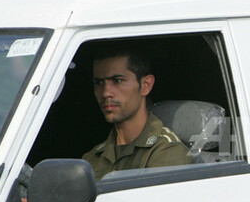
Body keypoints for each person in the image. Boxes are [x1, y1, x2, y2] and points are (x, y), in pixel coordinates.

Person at [82, 45, 192, 180]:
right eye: (99, 83)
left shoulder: (167, 152)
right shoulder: (93, 157)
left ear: (146, 85)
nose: (105, 93)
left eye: (117, 81)